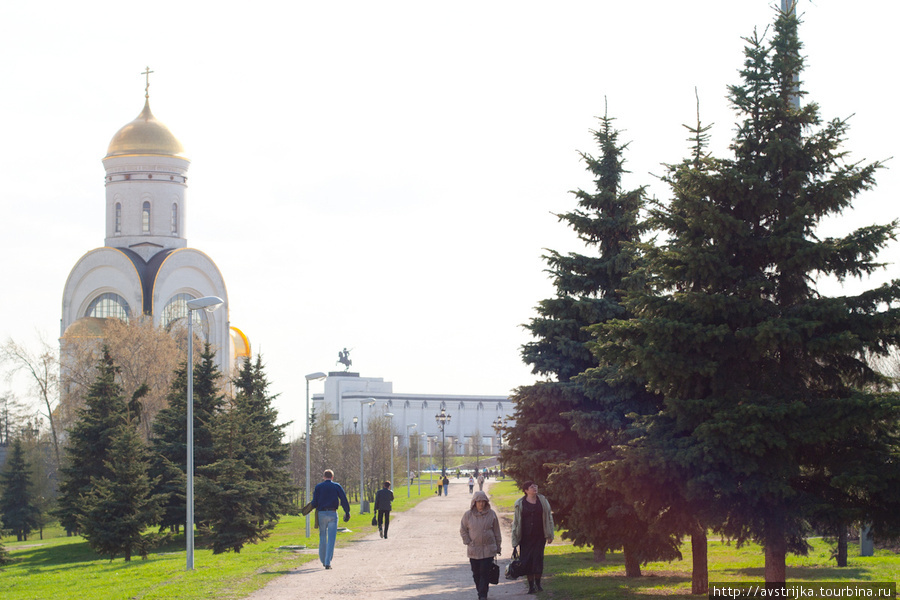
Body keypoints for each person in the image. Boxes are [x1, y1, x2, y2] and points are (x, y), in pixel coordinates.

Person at [511, 481, 554, 594]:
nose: (534, 488)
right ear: (526, 490)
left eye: (535, 486)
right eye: (531, 487)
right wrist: (515, 539)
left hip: (539, 536)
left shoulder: (543, 501)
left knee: (538, 559)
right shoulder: (520, 503)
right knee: (527, 561)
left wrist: (550, 534)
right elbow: (516, 522)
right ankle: (531, 586)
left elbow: (549, 517)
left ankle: (538, 584)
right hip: (525, 538)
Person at [460, 490, 502, 600]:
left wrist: (498, 545)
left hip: (488, 549)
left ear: (486, 502)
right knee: (476, 574)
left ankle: (483, 595)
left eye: (483, 502)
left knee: (485, 572)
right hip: (474, 550)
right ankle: (481, 590)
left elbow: (497, 531)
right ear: (474, 502)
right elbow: (463, 530)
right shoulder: (468, 515)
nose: (481, 504)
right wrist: (468, 541)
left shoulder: (492, 514)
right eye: (478, 502)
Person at [310, 469, 351, 570]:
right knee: (331, 539)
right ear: (332, 477)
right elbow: (343, 499)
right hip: (332, 513)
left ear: (324, 477)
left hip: (321, 513)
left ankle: (323, 560)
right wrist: (347, 512)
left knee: (322, 536)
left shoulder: (318, 487)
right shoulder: (336, 486)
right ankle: (328, 562)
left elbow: (314, 502)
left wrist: (311, 507)